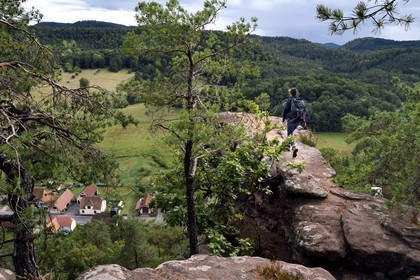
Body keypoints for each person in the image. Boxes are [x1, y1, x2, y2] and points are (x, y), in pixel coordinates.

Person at [282, 87, 306, 158]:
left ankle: (293, 147)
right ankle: (287, 145)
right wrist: (304, 121)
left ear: (290, 93)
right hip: (299, 120)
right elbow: (304, 111)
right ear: (296, 92)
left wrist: (283, 119)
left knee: (290, 135)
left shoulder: (290, 100)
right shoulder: (300, 100)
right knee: (290, 133)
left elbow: (286, 110)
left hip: (292, 119)